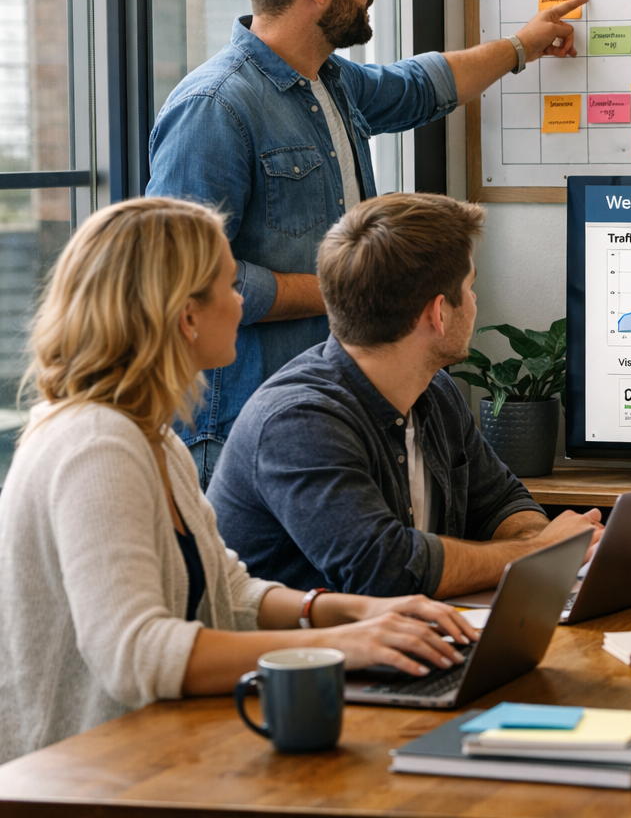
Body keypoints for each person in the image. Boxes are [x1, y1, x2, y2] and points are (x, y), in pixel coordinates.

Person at [0, 198, 481, 764]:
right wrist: (336, 645)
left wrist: (350, 612)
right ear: (187, 317)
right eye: (231, 287)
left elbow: (231, 593)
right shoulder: (96, 447)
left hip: (155, 757)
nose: (240, 303)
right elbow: (137, 655)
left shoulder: (155, 440)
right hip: (85, 776)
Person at [146, 0, 589, 487]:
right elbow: (188, 284)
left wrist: (522, 47)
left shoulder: (330, 81)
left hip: (329, 409)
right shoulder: (214, 108)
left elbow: (419, 87)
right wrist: (348, 296)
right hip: (246, 429)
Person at [208, 193, 602, 599]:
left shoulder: (435, 391)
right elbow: (387, 570)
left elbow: (500, 503)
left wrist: (545, 546)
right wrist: (538, 550)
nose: (474, 300)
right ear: (438, 313)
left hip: (421, 639)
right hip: (315, 657)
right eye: (469, 288)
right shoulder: (298, 422)